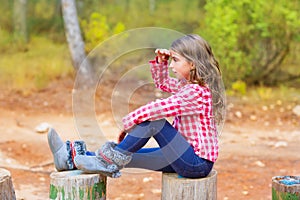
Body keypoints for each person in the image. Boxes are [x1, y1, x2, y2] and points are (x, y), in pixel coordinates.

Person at [48, 34, 225, 179]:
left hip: (195, 163)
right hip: (182, 155)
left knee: (155, 122)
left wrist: (130, 122)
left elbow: (158, 109)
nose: (172, 65)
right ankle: (69, 159)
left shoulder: (196, 92)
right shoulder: (186, 85)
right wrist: (161, 62)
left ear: (192, 64)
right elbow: (163, 83)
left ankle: (105, 160)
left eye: (175, 60)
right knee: (127, 155)